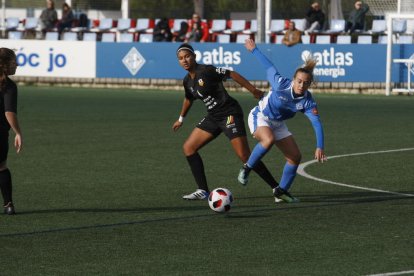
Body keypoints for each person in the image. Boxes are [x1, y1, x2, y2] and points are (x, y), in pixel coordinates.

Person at [173, 43, 280, 200]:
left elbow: (232, 74)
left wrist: (253, 90)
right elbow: (189, 98)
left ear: (194, 56)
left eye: (187, 56)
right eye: (181, 58)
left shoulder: (207, 70)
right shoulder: (187, 81)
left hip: (230, 113)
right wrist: (181, 118)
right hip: (213, 116)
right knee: (189, 148)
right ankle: (203, 190)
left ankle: (277, 188)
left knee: (244, 155)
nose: (184, 60)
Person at [238, 39, 327, 203]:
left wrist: (319, 146)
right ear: (293, 79)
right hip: (260, 116)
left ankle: (281, 192)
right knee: (268, 139)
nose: (301, 85)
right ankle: (246, 168)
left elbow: (316, 123)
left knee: (295, 157)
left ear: (310, 84)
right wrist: (254, 50)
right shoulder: (280, 84)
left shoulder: (307, 101)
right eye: (299, 81)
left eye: (306, 83)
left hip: (278, 123)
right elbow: (268, 66)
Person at [0, 48, 23, 215]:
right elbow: (9, 112)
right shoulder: (8, 86)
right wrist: (18, 133)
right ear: (4, 65)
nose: (17, 65)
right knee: (1, 167)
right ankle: (8, 205)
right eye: (14, 62)